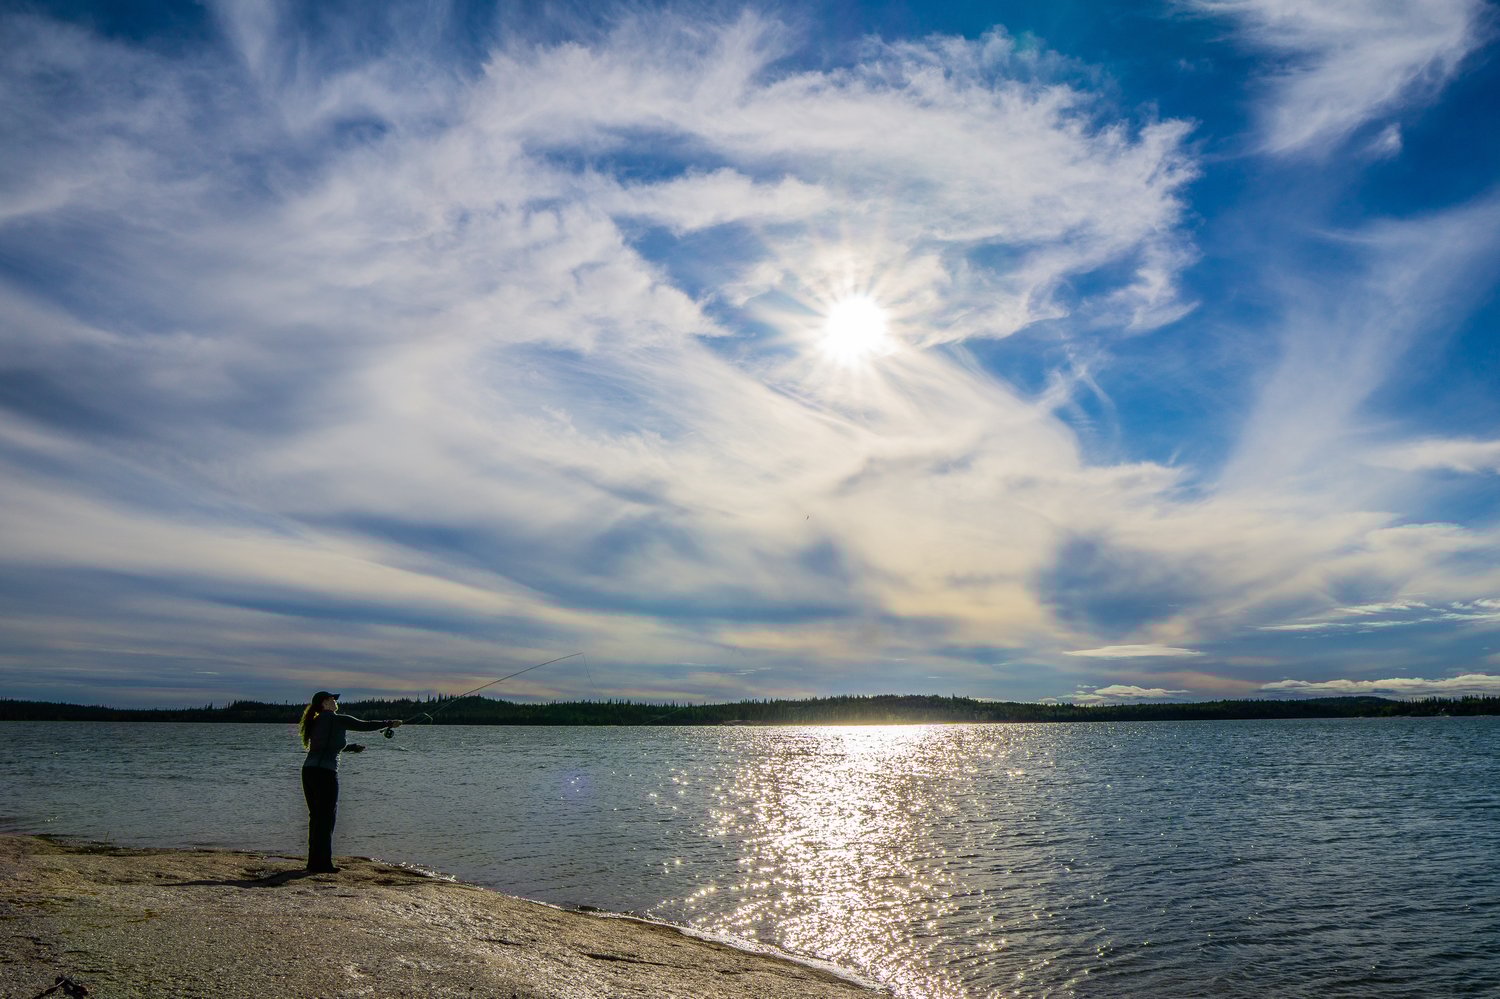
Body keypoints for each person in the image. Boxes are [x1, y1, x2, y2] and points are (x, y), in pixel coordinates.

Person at [297, 691, 402, 873]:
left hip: (309, 772)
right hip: (325, 774)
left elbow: (326, 745)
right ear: (324, 702)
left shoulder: (314, 721)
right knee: (326, 819)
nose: (336, 701)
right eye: (332, 699)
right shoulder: (337, 719)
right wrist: (389, 723)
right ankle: (322, 865)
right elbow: (365, 725)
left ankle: (314, 863)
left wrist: (351, 748)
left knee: (316, 818)